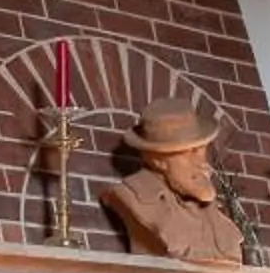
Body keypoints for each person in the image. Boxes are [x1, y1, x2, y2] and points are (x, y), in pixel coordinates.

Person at [102, 97, 247, 264]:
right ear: (158, 160)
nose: (203, 164)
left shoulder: (207, 203)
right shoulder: (131, 196)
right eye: (189, 153)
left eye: (202, 150)